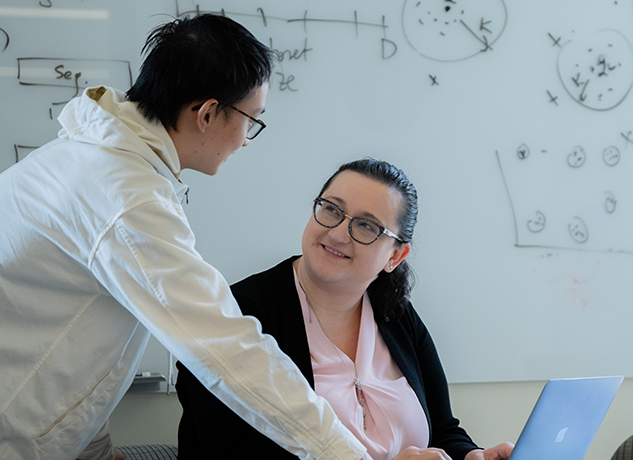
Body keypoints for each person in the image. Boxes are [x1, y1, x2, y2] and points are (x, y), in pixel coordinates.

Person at [0, 13, 367, 460]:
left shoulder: (92, 159)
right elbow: (226, 352)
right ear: (206, 113)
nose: (245, 140)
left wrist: (95, 450)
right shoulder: (127, 197)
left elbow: (73, 337)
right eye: (251, 120)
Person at [175, 159, 516, 460]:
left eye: (367, 226)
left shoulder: (397, 315)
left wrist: (472, 455)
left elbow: (442, 430)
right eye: (331, 209)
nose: (338, 233)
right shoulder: (236, 314)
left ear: (395, 257)